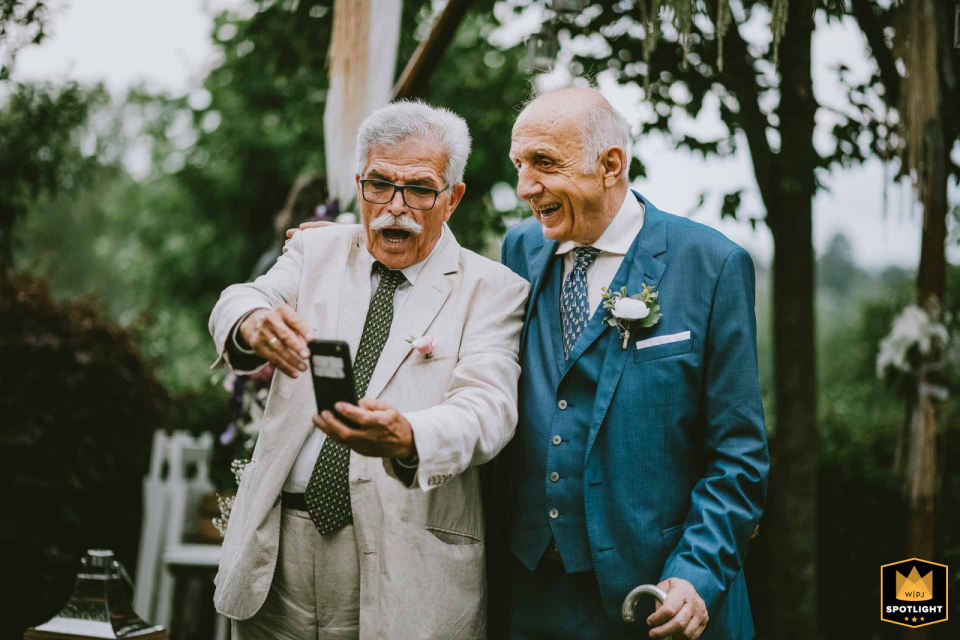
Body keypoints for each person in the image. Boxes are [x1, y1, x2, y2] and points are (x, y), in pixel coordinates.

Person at [208, 100, 529, 640]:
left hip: (407, 557)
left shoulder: (492, 288)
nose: (395, 207)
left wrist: (410, 435)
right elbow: (242, 297)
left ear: (453, 198)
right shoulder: (315, 250)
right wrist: (252, 321)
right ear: (359, 185)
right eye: (379, 184)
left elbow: (489, 409)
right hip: (277, 550)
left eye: (421, 189)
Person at [494, 86, 769, 639]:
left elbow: (738, 452)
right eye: (520, 165)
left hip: (652, 598)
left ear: (610, 164)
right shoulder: (520, 249)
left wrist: (696, 573)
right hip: (530, 597)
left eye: (544, 163)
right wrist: (350, 248)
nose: (526, 187)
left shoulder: (711, 265)